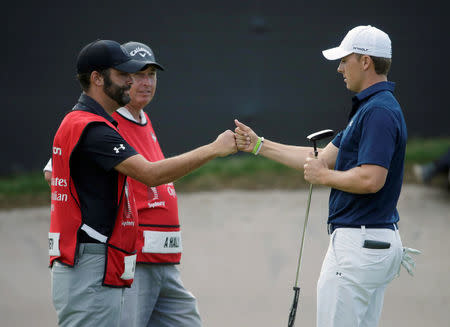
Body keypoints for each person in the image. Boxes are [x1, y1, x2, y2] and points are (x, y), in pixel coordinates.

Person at [235, 25, 419, 327]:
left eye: (344, 60)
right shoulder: (371, 108)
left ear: (365, 61)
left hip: (359, 245)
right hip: (372, 243)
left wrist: (325, 178)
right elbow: (320, 159)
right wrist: (258, 145)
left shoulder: (378, 112)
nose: (339, 68)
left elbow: (372, 179)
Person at [48, 39, 236, 327]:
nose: (136, 82)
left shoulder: (104, 122)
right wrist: (214, 149)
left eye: (148, 74)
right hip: (107, 256)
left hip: (131, 257)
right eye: (127, 75)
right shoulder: (94, 126)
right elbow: (149, 174)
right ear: (97, 78)